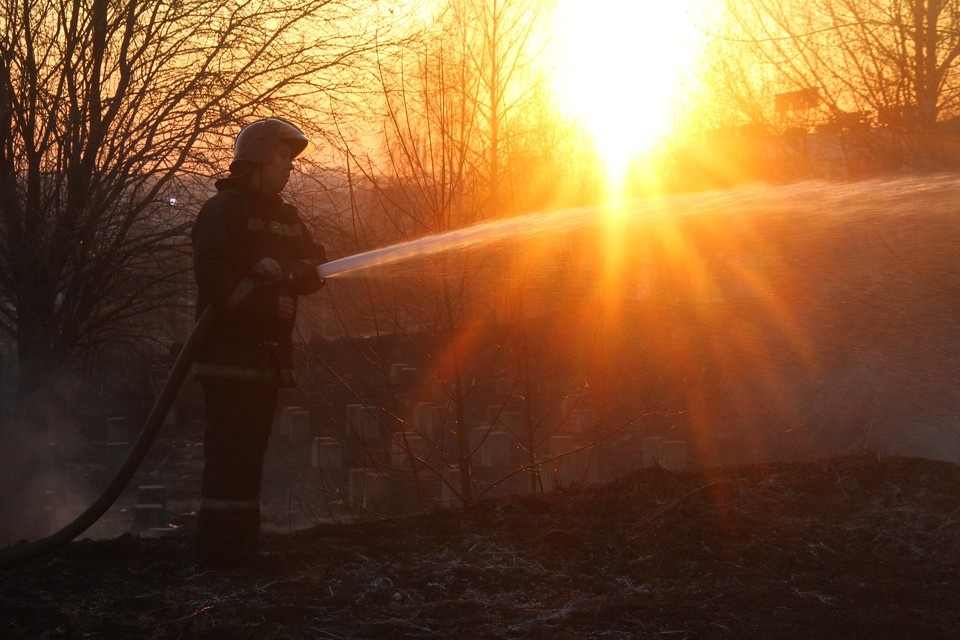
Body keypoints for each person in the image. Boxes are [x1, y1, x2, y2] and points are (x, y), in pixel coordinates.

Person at [191, 118, 326, 567]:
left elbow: (314, 264)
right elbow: (214, 279)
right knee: (229, 458)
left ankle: (243, 548)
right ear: (257, 159)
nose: (290, 167)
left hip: (266, 364)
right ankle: (219, 554)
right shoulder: (223, 211)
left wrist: (285, 273)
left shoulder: (285, 217)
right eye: (284, 157)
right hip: (229, 364)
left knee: (250, 459)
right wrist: (267, 306)